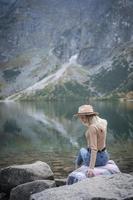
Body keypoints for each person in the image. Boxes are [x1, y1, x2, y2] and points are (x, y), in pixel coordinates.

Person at [74, 104, 109, 177]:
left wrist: (91, 168)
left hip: (97, 160)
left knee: (81, 150)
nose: (81, 119)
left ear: (86, 117)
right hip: (105, 157)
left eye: (82, 117)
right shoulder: (103, 122)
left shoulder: (92, 128)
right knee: (86, 151)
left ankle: (76, 171)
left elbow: (94, 149)